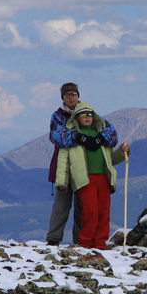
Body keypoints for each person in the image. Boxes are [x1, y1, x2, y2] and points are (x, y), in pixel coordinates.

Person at [53, 102, 131, 249]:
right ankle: (85, 244)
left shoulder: (102, 136)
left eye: (90, 114)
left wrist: (122, 151)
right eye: (83, 114)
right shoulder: (70, 138)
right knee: (90, 212)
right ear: (76, 118)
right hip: (85, 179)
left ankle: (100, 244)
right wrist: (61, 182)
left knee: (103, 212)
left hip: (104, 179)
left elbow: (111, 159)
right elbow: (63, 162)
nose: (87, 117)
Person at [46, 83, 84, 245]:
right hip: (63, 168)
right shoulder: (57, 116)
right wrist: (81, 137)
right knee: (61, 205)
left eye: (73, 94)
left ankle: (80, 240)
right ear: (63, 97)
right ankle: (54, 239)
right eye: (67, 95)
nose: (70, 97)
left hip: (83, 166)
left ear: (78, 95)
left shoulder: (87, 112)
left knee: (83, 207)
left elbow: (100, 133)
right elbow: (57, 137)